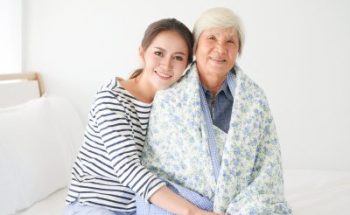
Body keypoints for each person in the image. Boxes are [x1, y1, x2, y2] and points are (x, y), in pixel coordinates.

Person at [139, 8, 292, 214]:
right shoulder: (169, 97)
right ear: (196, 47)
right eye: (212, 38)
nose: (220, 49)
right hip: (185, 199)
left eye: (230, 42)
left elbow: (269, 164)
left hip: (241, 201)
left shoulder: (254, 100)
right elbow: (157, 165)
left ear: (238, 51)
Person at [64, 18, 221, 215]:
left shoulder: (174, 104)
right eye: (158, 53)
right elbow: (129, 169)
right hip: (93, 205)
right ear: (142, 53)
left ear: (187, 67)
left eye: (178, 58)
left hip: (141, 207)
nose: (166, 65)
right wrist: (194, 213)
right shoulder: (112, 98)